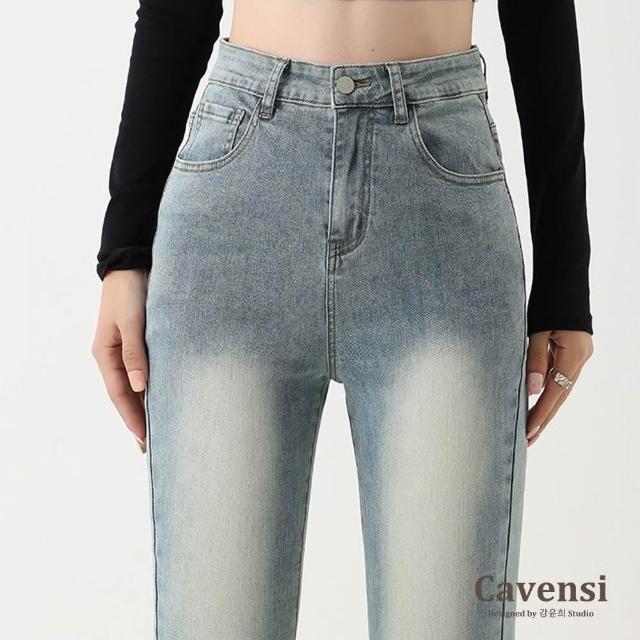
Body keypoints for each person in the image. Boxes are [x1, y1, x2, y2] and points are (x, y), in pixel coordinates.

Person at [92, 0, 594, 637]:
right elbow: (176, 12)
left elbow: (541, 15)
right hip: (235, 207)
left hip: (439, 209)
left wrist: (564, 281)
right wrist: (125, 253)